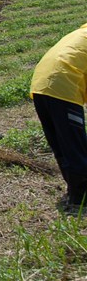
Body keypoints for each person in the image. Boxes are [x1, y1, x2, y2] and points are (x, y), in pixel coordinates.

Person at [30, 24, 87, 213]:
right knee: (74, 144)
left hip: (40, 85)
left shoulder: (80, 34)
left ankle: (74, 191)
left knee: (61, 143)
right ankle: (81, 199)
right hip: (63, 85)